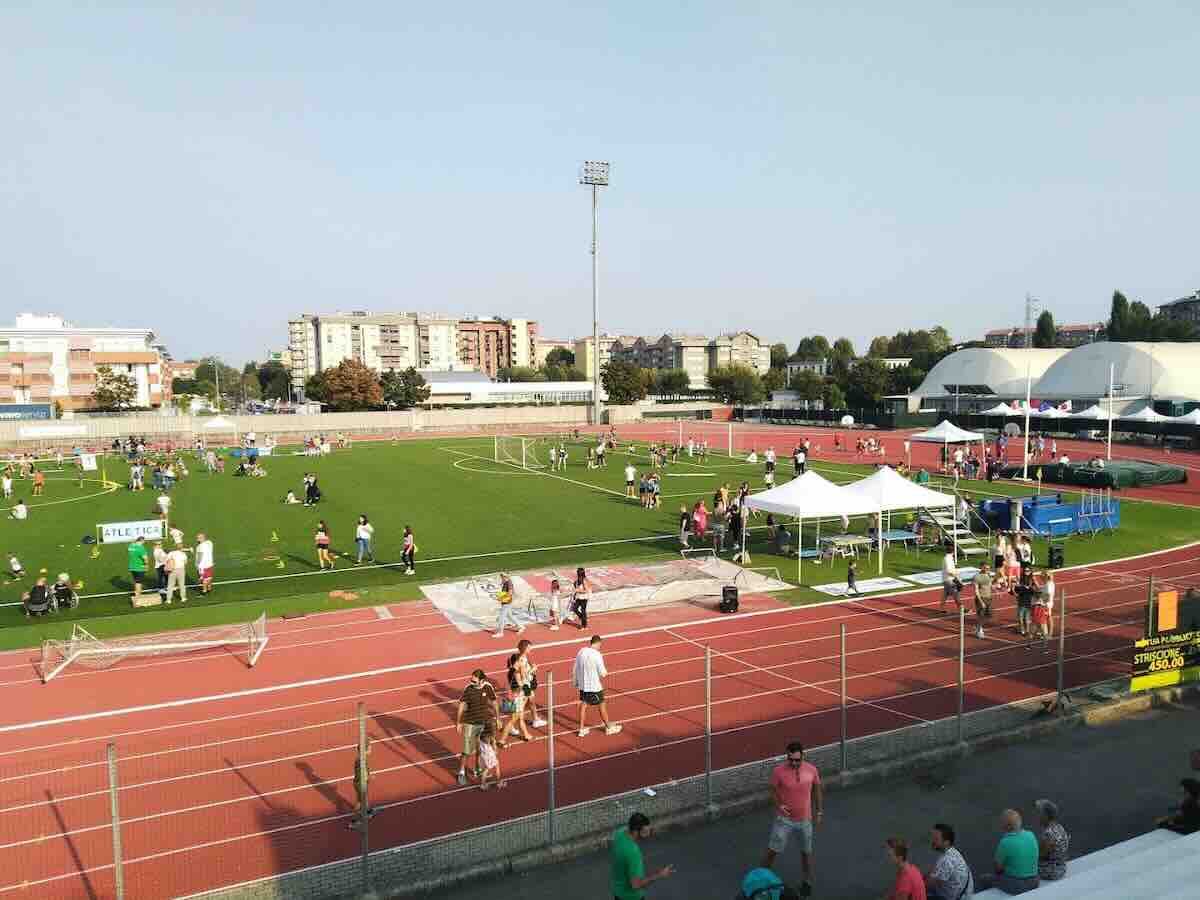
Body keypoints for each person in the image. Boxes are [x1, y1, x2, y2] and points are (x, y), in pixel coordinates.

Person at [610, 812, 674, 900]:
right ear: (636, 831)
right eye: (645, 831)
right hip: (632, 897)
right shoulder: (632, 852)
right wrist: (660, 874)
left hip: (618, 893)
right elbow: (636, 885)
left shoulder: (619, 833)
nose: (648, 834)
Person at [455, 669, 499, 786]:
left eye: (474, 681)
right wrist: (459, 722)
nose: (472, 683)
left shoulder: (488, 687)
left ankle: (477, 769)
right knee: (466, 751)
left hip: (483, 723)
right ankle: (462, 772)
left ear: (482, 681)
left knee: (480, 749)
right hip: (470, 723)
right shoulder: (469, 689)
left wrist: (498, 718)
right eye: (471, 680)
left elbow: (494, 702)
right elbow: (461, 705)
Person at [982, 809, 1039, 895]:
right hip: (1035, 880)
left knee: (985, 878)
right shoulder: (1031, 834)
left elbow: (997, 868)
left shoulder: (1005, 842)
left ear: (1006, 826)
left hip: (1018, 885)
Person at [574, 634, 621, 737]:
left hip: (583, 685)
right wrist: (605, 673)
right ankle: (609, 727)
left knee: (584, 704)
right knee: (602, 704)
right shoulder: (597, 654)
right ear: (598, 643)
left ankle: (581, 729)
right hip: (594, 686)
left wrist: (576, 681)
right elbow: (602, 672)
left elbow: (576, 667)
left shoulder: (581, 651)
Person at [500, 640, 536, 747]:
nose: (531, 649)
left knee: (520, 717)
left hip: (520, 692)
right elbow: (523, 678)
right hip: (519, 693)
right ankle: (502, 740)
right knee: (513, 719)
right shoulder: (521, 660)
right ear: (525, 649)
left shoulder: (521, 659)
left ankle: (526, 735)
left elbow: (517, 673)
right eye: (529, 648)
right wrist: (533, 670)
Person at [925, 823, 973, 900]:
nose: (933, 841)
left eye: (936, 839)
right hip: (963, 892)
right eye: (933, 837)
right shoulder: (952, 852)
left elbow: (930, 883)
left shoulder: (947, 861)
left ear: (946, 842)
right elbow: (934, 870)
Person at [1034, 799, 1069, 882]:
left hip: (1052, 871)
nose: (1036, 816)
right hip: (1062, 866)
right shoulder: (1059, 827)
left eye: (1039, 813)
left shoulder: (1047, 834)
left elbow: (1040, 855)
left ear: (1045, 816)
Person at [346, 738, 377, 830]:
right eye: (370, 748)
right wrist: (369, 777)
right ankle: (354, 821)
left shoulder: (361, 759)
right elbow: (361, 775)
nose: (371, 750)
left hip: (360, 783)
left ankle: (368, 811)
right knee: (359, 803)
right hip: (360, 784)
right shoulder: (361, 762)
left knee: (364, 799)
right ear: (365, 750)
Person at [493, 572, 523, 637]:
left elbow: (510, 593)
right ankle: (520, 626)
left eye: (502, 577)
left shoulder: (509, 583)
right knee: (510, 616)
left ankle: (500, 632)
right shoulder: (506, 582)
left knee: (501, 617)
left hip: (507, 602)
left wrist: (501, 598)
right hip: (506, 602)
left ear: (505, 577)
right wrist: (500, 596)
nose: (501, 578)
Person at [476, 723, 505, 790]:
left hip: (483, 753)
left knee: (485, 769)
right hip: (489, 754)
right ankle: (498, 782)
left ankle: (483, 784)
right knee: (495, 767)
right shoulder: (491, 736)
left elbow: (478, 743)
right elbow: (493, 744)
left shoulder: (480, 734)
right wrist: (496, 751)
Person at [973, 565, 994, 639]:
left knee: (989, 615)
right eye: (986, 568)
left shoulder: (988, 575)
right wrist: (981, 601)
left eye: (989, 568)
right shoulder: (977, 577)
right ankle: (979, 631)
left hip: (989, 598)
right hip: (981, 598)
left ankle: (978, 626)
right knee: (981, 615)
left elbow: (990, 584)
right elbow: (976, 590)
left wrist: (995, 589)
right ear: (981, 568)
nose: (988, 569)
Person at [941, 546, 961, 613]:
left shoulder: (948, 558)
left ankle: (942, 608)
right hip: (949, 579)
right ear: (953, 551)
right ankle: (960, 608)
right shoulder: (948, 559)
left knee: (946, 594)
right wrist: (956, 577)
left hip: (946, 579)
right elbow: (949, 571)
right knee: (956, 593)